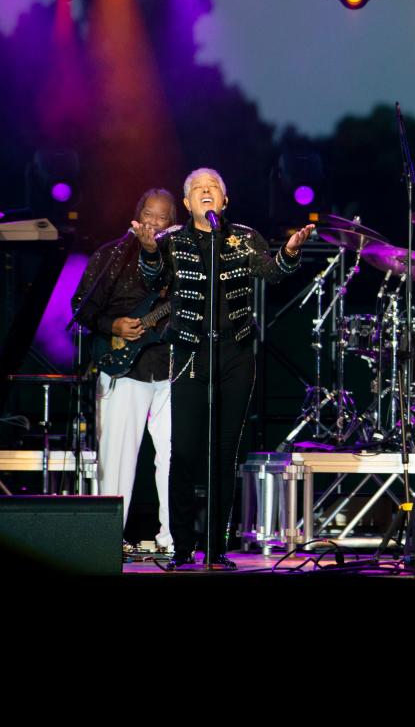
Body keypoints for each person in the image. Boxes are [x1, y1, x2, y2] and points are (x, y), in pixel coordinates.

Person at [133, 168, 313, 570]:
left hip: (236, 354)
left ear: (224, 200)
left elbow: (272, 272)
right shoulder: (171, 241)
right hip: (191, 354)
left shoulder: (243, 237)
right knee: (185, 452)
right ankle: (182, 547)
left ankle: (215, 548)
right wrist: (147, 251)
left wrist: (288, 253)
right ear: (187, 203)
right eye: (198, 188)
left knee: (225, 453)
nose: (206, 191)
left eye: (213, 187)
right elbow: (152, 279)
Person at [71, 189, 178, 553]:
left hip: (170, 366)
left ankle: (172, 539)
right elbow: (81, 309)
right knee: (116, 458)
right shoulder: (111, 255)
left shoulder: (179, 257)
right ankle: (107, 538)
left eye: (161, 217)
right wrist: (114, 325)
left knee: (173, 457)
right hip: (123, 366)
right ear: (136, 215)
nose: (153, 222)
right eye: (148, 214)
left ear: (172, 221)